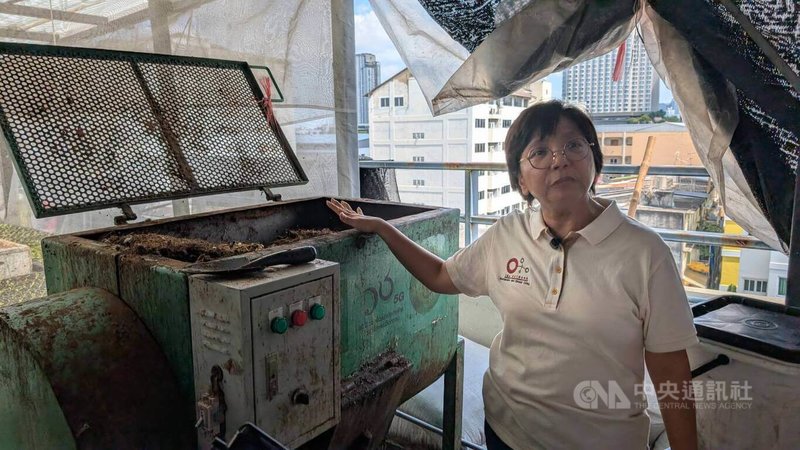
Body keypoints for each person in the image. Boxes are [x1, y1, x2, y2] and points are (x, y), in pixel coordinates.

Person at [327, 100, 698, 450]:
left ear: (595, 163)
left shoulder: (645, 252)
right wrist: (383, 228)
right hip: (507, 432)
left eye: (573, 146)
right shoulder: (506, 234)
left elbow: (671, 371)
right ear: (521, 181)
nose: (559, 160)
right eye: (540, 152)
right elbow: (441, 275)